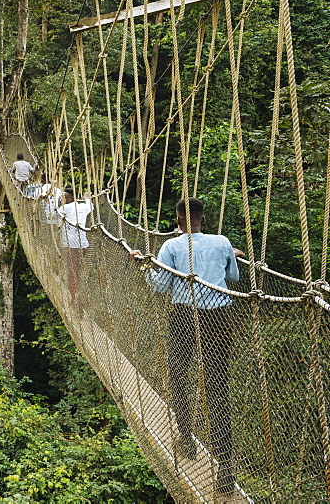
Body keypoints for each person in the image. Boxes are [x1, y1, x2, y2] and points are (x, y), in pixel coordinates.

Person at [129, 198, 243, 497]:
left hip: (183, 317)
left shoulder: (171, 247)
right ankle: (227, 470)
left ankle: (186, 439)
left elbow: (159, 286)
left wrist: (143, 265)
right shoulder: (222, 243)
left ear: (179, 220)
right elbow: (233, 278)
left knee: (179, 376)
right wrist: (226, 256)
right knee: (218, 390)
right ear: (203, 218)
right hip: (218, 317)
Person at [57, 187, 92, 305]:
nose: (65, 199)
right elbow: (89, 203)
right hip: (82, 244)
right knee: (78, 269)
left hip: (69, 244)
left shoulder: (63, 208)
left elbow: (55, 213)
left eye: (66, 197)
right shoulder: (84, 207)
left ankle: (74, 297)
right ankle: (78, 295)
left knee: (72, 270)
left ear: (72, 197)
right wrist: (86, 197)